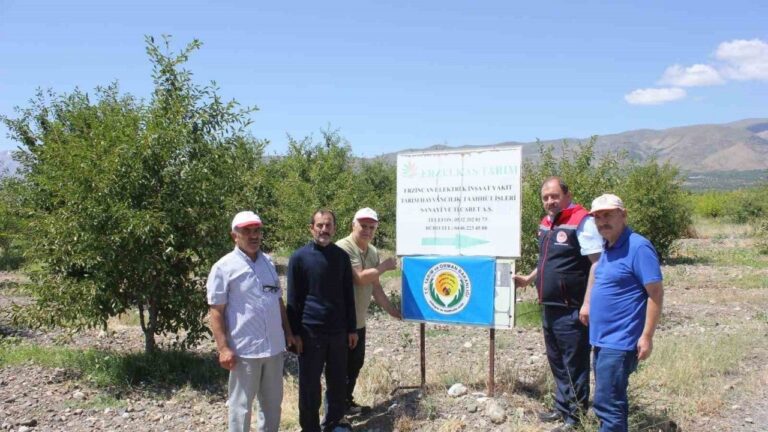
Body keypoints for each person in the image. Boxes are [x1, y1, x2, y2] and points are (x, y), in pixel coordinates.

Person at [513, 177, 602, 432]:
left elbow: (597, 263)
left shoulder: (582, 221)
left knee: (574, 363)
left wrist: (587, 304)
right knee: (557, 360)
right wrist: (529, 279)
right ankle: (562, 408)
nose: (550, 201)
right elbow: (546, 259)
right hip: (549, 304)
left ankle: (575, 418)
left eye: (554, 196)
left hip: (572, 307)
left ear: (567, 195)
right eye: (545, 197)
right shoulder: (547, 223)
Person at [206, 211, 296, 432]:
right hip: (244, 351)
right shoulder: (223, 267)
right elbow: (216, 311)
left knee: (272, 405)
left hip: (274, 348)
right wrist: (223, 348)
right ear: (234, 236)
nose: (253, 236)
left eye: (257, 231)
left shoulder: (268, 262)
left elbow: (278, 301)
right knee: (241, 407)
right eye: (247, 231)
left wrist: (288, 333)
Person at [582, 194, 664, 432]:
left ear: (623, 215)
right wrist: (588, 304)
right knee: (610, 401)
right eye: (597, 217)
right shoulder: (608, 245)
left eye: (608, 215)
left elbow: (656, 294)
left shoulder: (638, 247)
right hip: (602, 338)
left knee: (607, 404)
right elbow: (599, 274)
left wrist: (647, 336)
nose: (602, 221)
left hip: (620, 341)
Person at [287, 209, 358, 432]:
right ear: (311, 228)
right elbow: (293, 299)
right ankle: (310, 427)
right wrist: (295, 333)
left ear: (334, 229)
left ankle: (333, 424)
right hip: (310, 332)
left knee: (337, 382)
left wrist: (352, 328)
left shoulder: (341, 257)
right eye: (320, 225)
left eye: (328, 225)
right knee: (309, 386)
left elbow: (348, 295)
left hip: (338, 332)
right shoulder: (299, 258)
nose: (324, 229)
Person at [336, 207, 401, 415]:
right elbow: (360, 277)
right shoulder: (343, 248)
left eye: (371, 227)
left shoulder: (372, 251)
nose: (367, 230)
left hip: (359, 321)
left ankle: (346, 403)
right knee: (339, 369)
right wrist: (384, 266)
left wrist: (393, 311)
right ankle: (335, 414)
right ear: (353, 225)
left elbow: (375, 286)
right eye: (363, 226)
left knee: (355, 364)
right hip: (341, 321)